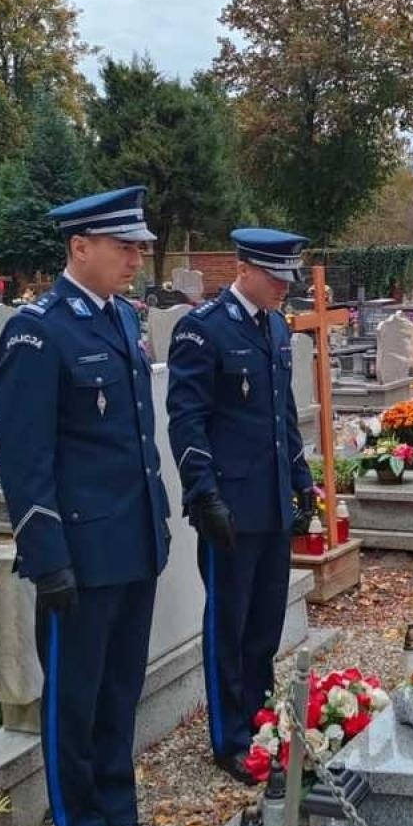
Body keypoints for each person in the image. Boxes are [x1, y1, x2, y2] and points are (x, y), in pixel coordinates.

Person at [0, 185, 176, 826]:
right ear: (79, 246)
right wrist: (47, 559)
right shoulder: (39, 331)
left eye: (137, 247)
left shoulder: (122, 321)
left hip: (132, 542)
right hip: (78, 553)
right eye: (122, 245)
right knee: (75, 695)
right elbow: (25, 457)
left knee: (120, 686)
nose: (135, 257)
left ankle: (119, 810)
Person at [166, 229, 318, 785]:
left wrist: (303, 483)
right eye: (275, 275)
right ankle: (230, 737)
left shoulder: (275, 328)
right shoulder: (203, 332)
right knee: (227, 625)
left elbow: (282, 415)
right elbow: (187, 419)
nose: (284, 286)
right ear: (243, 268)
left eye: (288, 276)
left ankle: (259, 719)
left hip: (272, 501)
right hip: (230, 505)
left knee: (265, 624)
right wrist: (202, 492)